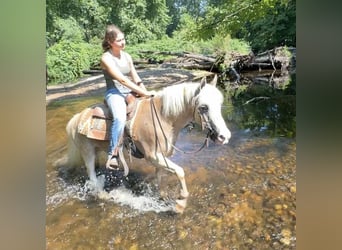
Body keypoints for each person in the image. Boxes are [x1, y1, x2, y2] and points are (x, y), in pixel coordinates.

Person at [100, 24, 154, 169]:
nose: (123, 42)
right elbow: (122, 80)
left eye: (123, 39)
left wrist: (146, 92)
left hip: (129, 91)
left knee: (147, 108)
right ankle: (113, 154)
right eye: (119, 40)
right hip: (114, 93)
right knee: (120, 117)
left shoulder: (127, 56)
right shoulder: (106, 58)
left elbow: (135, 77)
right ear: (110, 42)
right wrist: (143, 93)